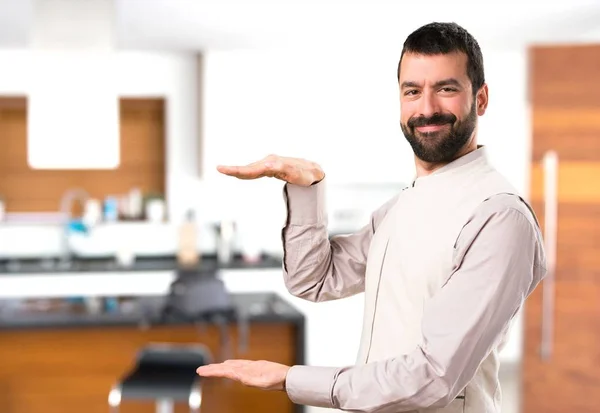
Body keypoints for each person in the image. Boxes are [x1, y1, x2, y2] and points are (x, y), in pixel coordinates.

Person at [196, 22, 547, 413]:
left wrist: (290, 379)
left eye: (446, 89)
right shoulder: (402, 207)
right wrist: (307, 186)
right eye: (412, 91)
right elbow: (313, 279)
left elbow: (434, 377)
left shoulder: (499, 217)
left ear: (480, 99)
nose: (426, 108)